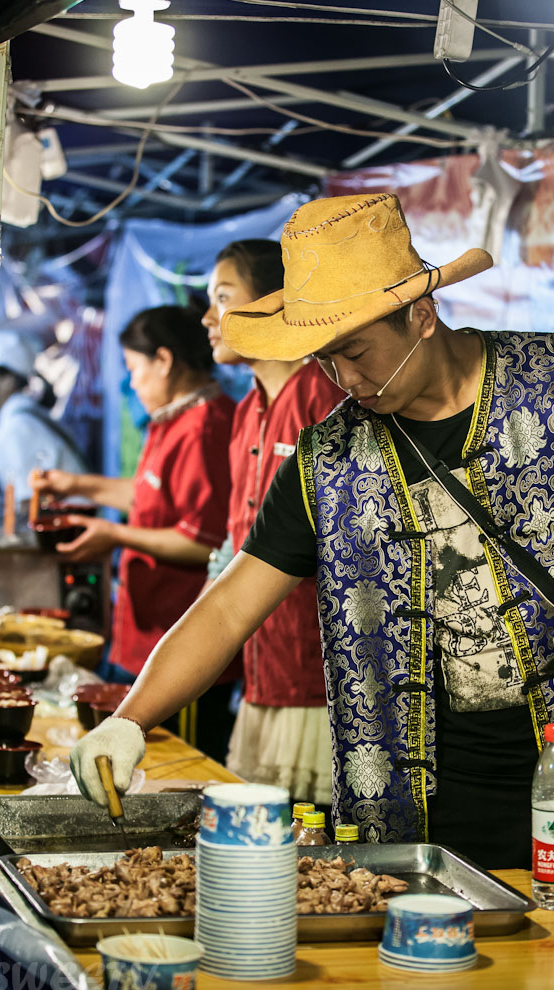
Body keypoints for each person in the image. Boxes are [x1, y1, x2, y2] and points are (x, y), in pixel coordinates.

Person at [70, 194, 554, 936]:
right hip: (426, 801)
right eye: (323, 358)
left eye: (354, 352)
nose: (339, 377)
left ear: (420, 315)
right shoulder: (327, 458)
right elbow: (230, 606)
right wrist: (130, 721)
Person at [30, 304, 237, 759]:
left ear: (164, 360)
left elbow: (202, 541)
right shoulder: (171, 419)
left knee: (177, 772)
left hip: (184, 648)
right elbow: (149, 498)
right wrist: (77, 485)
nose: (131, 383)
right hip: (144, 638)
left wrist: (115, 536)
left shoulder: (206, 427)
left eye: (134, 368)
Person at [201, 238, 343, 807]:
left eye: (223, 298)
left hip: (317, 675)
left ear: (274, 303)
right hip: (260, 664)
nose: (209, 318)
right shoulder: (245, 412)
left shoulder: (324, 397)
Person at [0, 329, 88, 533]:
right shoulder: (20, 419)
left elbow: (30, 508)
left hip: (74, 536)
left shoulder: (16, 428)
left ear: (8, 380)